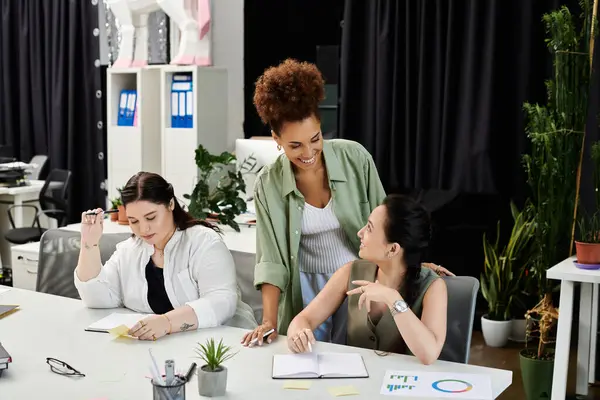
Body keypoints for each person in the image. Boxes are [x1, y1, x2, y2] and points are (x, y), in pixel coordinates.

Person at [241, 59, 452, 347]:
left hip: (359, 282)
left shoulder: (356, 158)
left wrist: (411, 260)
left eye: (314, 139)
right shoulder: (268, 184)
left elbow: (386, 223)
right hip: (305, 288)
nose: (308, 153)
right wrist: (268, 319)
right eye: (294, 146)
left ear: (320, 126)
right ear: (275, 138)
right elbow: (271, 261)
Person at [74, 172, 257, 341]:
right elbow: (98, 299)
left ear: (170, 204)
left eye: (151, 217)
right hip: (166, 348)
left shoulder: (204, 242)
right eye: (134, 221)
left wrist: (167, 322)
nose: (143, 229)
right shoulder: (130, 250)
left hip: (224, 344)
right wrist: (89, 243)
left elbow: (222, 302)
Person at [285, 195, 447, 365]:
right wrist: (298, 334)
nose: (360, 233)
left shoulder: (433, 287)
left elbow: (429, 354)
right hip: (354, 385)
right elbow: (304, 319)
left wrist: (392, 298)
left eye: (369, 228)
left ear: (392, 249)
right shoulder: (350, 271)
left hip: (404, 386)